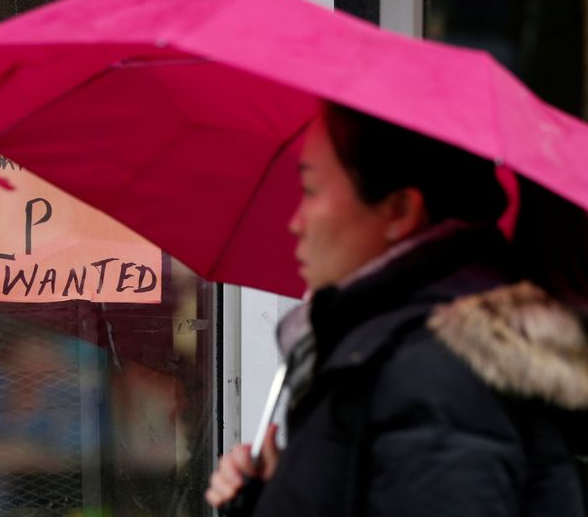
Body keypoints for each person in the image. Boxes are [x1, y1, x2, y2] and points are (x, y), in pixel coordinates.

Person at [205, 102, 588, 516]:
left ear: (400, 210)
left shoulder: (436, 375)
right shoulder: (388, 352)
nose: (296, 222)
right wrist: (270, 495)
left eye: (311, 191)